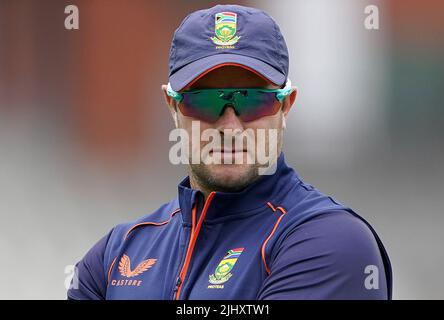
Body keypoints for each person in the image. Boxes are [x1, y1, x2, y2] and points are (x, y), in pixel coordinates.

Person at [68, 4, 392, 300]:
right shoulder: (117, 254)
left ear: (285, 106)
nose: (230, 127)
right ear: (173, 106)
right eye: (206, 102)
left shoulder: (332, 242)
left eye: (251, 101)